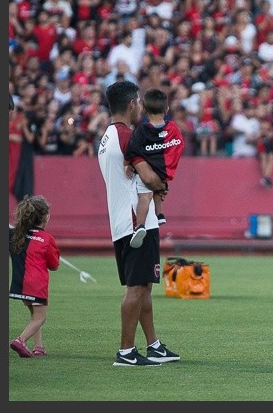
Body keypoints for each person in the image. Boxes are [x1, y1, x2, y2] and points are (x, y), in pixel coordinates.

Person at [99, 80, 181, 366]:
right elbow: (150, 177)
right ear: (133, 105)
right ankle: (125, 351)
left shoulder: (108, 136)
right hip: (138, 222)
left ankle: (153, 345)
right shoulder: (128, 138)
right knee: (136, 288)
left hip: (123, 219)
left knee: (143, 285)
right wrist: (161, 185)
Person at [124, 88, 185, 248]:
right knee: (159, 189)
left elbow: (131, 148)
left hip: (147, 171)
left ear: (143, 109)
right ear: (166, 109)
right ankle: (160, 214)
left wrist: (128, 164)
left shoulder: (142, 130)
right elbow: (179, 144)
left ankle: (140, 226)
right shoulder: (172, 128)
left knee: (145, 197)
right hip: (163, 170)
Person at [8, 195, 60, 358]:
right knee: (40, 318)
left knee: (34, 315)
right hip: (36, 284)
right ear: (45, 217)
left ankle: (39, 347)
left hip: (20, 282)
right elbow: (54, 265)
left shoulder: (16, 234)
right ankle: (20, 340)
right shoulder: (47, 238)